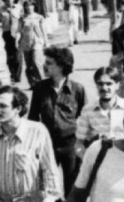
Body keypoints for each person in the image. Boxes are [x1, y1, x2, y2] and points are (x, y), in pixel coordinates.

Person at [27, 46, 88, 189]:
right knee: (47, 185)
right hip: (47, 144)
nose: (44, 66)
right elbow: (33, 119)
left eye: (49, 63)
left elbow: (86, 119)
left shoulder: (78, 89)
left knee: (72, 185)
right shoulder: (39, 88)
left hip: (71, 145)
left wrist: (82, 145)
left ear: (61, 66)